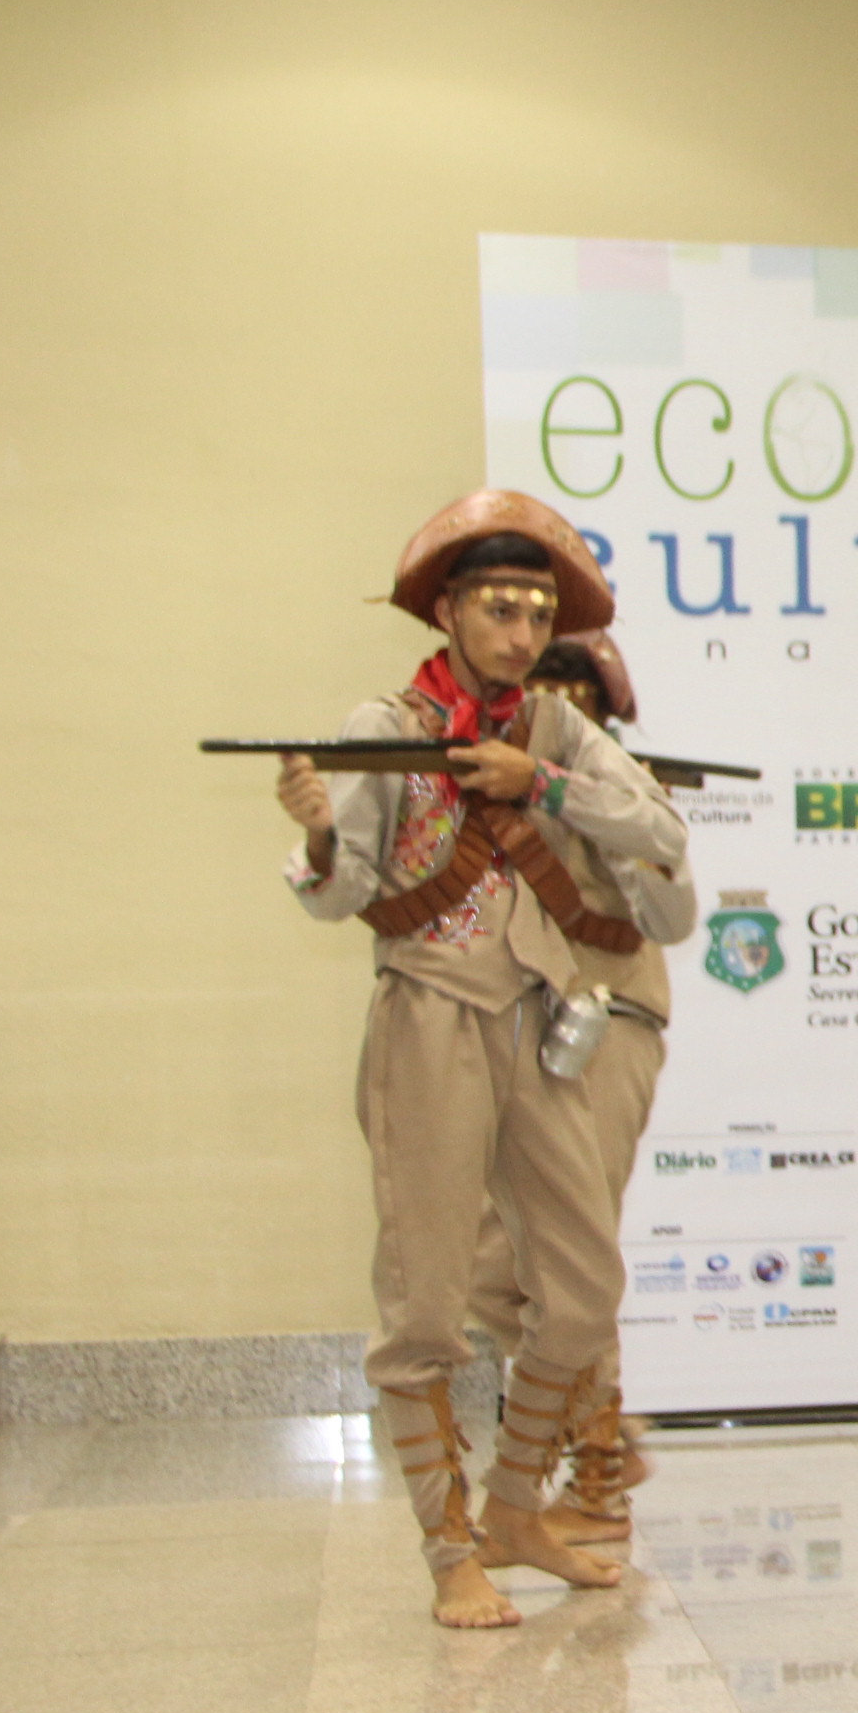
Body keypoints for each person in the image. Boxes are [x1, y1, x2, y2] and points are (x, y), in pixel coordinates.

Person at [274, 492, 692, 1628]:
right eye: (500, 609)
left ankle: (515, 1509)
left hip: (540, 1021)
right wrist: (318, 830)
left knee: (583, 1286)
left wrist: (540, 784)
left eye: (538, 613)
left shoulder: (555, 729)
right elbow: (346, 891)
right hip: (430, 1016)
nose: (520, 633)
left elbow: (662, 835)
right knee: (426, 1302)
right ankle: (448, 1548)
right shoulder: (387, 720)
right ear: (450, 611)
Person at [461, 630, 692, 1545]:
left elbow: (671, 909)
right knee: (492, 1262)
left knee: (569, 1249)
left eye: (574, 692)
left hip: (610, 1022)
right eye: (539, 688)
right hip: (522, 1025)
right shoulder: (484, 776)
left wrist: (558, 792)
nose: (554, 704)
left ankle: (597, 1476)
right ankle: (604, 1434)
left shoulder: (621, 789)